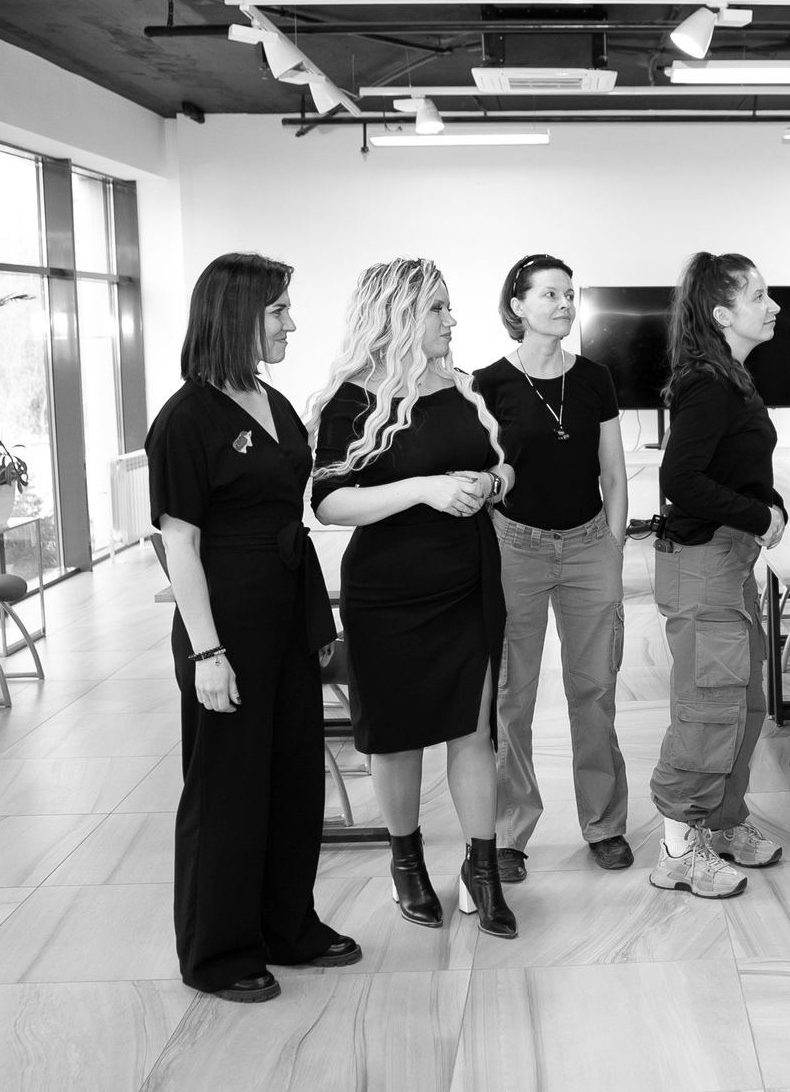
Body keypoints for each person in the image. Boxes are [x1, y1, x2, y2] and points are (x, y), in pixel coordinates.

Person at [147, 252, 362, 1004]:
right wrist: (207, 652)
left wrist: (315, 620)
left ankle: (287, 926)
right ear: (236, 314)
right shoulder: (184, 419)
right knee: (228, 790)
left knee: (293, 780)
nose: (291, 324)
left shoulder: (271, 400)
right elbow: (180, 543)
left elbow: (290, 516)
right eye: (278, 311)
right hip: (227, 620)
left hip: (287, 611)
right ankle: (219, 952)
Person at [310, 257, 519, 939]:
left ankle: (483, 872)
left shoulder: (464, 388)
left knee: (474, 731)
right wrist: (424, 490)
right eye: (438, 307)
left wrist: (492, 484)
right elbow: (329, 502)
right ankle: (407, 865)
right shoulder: (352, 400)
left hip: (469, 582)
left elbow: (503, 466)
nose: (452, 319)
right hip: (389, 594)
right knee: (397, 739)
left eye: (449, 307)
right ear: (397, 314)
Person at [473, 254, 633, 882]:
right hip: (516, 548)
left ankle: (605, 824)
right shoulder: (487, 384)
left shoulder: (594, 378)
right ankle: (510, 833)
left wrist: (614, 547)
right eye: (550, 294)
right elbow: (484, 475)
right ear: (518, 306)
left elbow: (614, 474)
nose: (565, 303)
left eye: (570, 294)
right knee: (512, 697)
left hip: (590, 544)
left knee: (594, 692)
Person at [648, 252, 789, 899]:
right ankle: (678, 849)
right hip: (704, 565)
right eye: (758, 295)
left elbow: (734, 469)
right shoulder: (707, 382)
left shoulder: (733, 378)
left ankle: (723, 823)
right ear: (723, 313)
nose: (773, 305)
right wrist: (759, 513)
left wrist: (768, 504)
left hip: (730, 563)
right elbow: (680, 479)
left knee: (746, 704)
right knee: (708, 711)